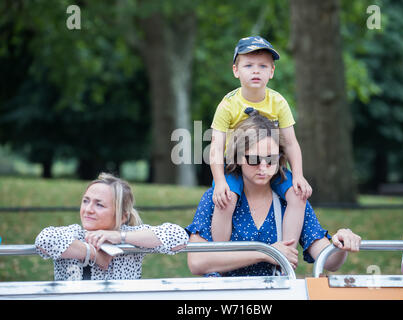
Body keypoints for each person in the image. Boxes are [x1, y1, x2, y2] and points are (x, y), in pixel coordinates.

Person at [187, 113, 361, 277]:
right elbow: (197, 261)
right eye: (254, 160)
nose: (263, 167)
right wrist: (265, 252)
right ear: (238, 157)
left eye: (271, 159)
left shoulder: (290, 199)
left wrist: (341, 244)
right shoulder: (218, 196)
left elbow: (329, 261)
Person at [209, 36, 312, 250]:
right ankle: (219, 252)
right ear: (236, 70)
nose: (256, 71)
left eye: (263, 66)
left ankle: (286, 251)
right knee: (226, 199)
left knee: (297, 195)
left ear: (272, 71)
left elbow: (291, 143)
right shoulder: (228, 105)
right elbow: (217, 148)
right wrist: (219, 182)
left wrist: (298, 175)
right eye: (248, 65)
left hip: (271, 166)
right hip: (237, 167)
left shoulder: (278, 102)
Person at [35, 173, 189, 281]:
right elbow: (44, 240)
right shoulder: (73, 234)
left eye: (99, 204)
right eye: (85, 201)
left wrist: (120, 237)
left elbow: (179, 237)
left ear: (122, 216)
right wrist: (93, 254)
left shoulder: (133, 237)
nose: (88, 209)